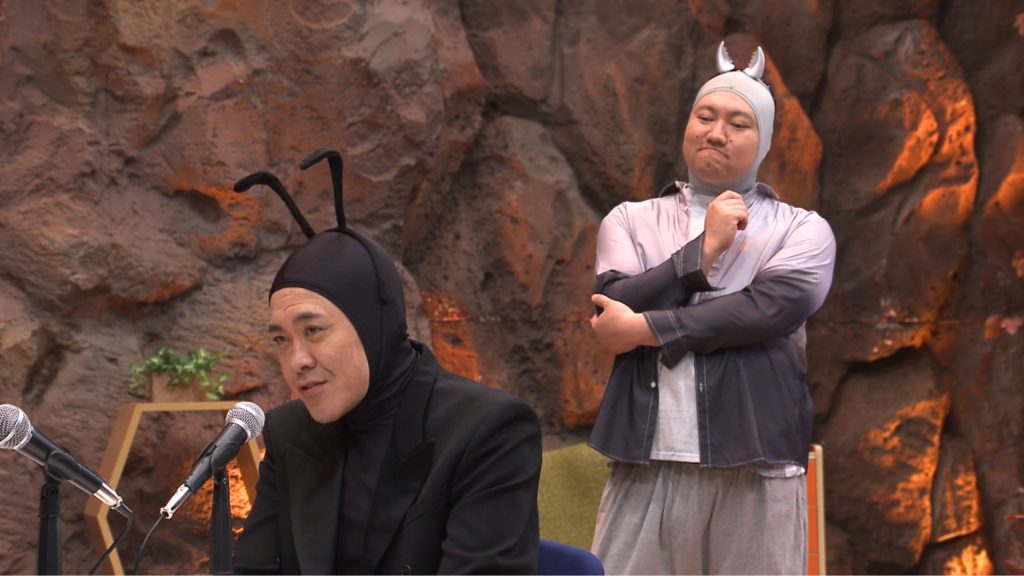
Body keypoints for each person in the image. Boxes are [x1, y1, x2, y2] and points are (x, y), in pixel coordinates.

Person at [587, 42, 836, 574]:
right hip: (644, 462)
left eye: (739, 123)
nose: (716, 132)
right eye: (705, 116)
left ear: (764, 141)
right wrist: (701, 253)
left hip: (757, 465)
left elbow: (764, 312)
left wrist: (644, 329)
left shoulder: (802, 229)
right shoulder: (629, 220)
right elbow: (614, 307)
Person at [232, 156, 542, 574]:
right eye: (281, 340)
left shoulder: (487, 430)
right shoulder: (290, 432)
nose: (297, 361)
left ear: (373, 325)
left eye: (313, 331)